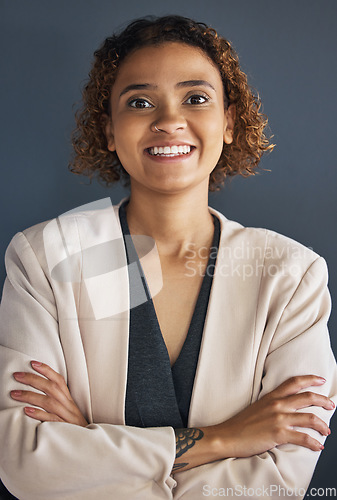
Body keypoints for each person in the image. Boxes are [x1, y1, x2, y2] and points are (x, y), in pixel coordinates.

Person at [0, 15, 336, 500]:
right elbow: (28, 464)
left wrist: (88, 446)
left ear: (229, 123)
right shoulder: (48, 257)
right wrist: (225, 439)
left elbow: (278, 483)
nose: (169, 120)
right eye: (139, 102)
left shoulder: (291, 275)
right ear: (109, 130)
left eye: (196, 98)